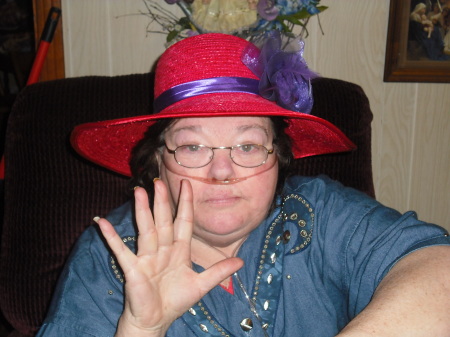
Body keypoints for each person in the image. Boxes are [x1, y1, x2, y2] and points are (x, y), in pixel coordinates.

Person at [36, 33, 450, 337]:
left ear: (279, 156)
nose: (222, 171)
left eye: (248, 145)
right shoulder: (108, 254)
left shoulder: (321, 211)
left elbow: (439, 270)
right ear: (158, 160)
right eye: (193, 146)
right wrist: (142, 329)